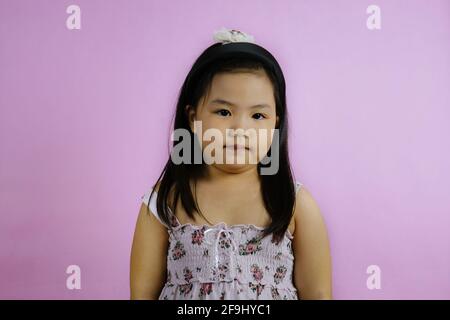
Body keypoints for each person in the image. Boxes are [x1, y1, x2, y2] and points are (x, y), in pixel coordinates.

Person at [130, 27, 332, 300]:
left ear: (276, 124)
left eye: (258, 115)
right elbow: (141, 295)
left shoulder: (295, 203)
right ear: (192, 118)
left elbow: (318, 293)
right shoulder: (165, 200)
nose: (240, 128)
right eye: (223, 112)